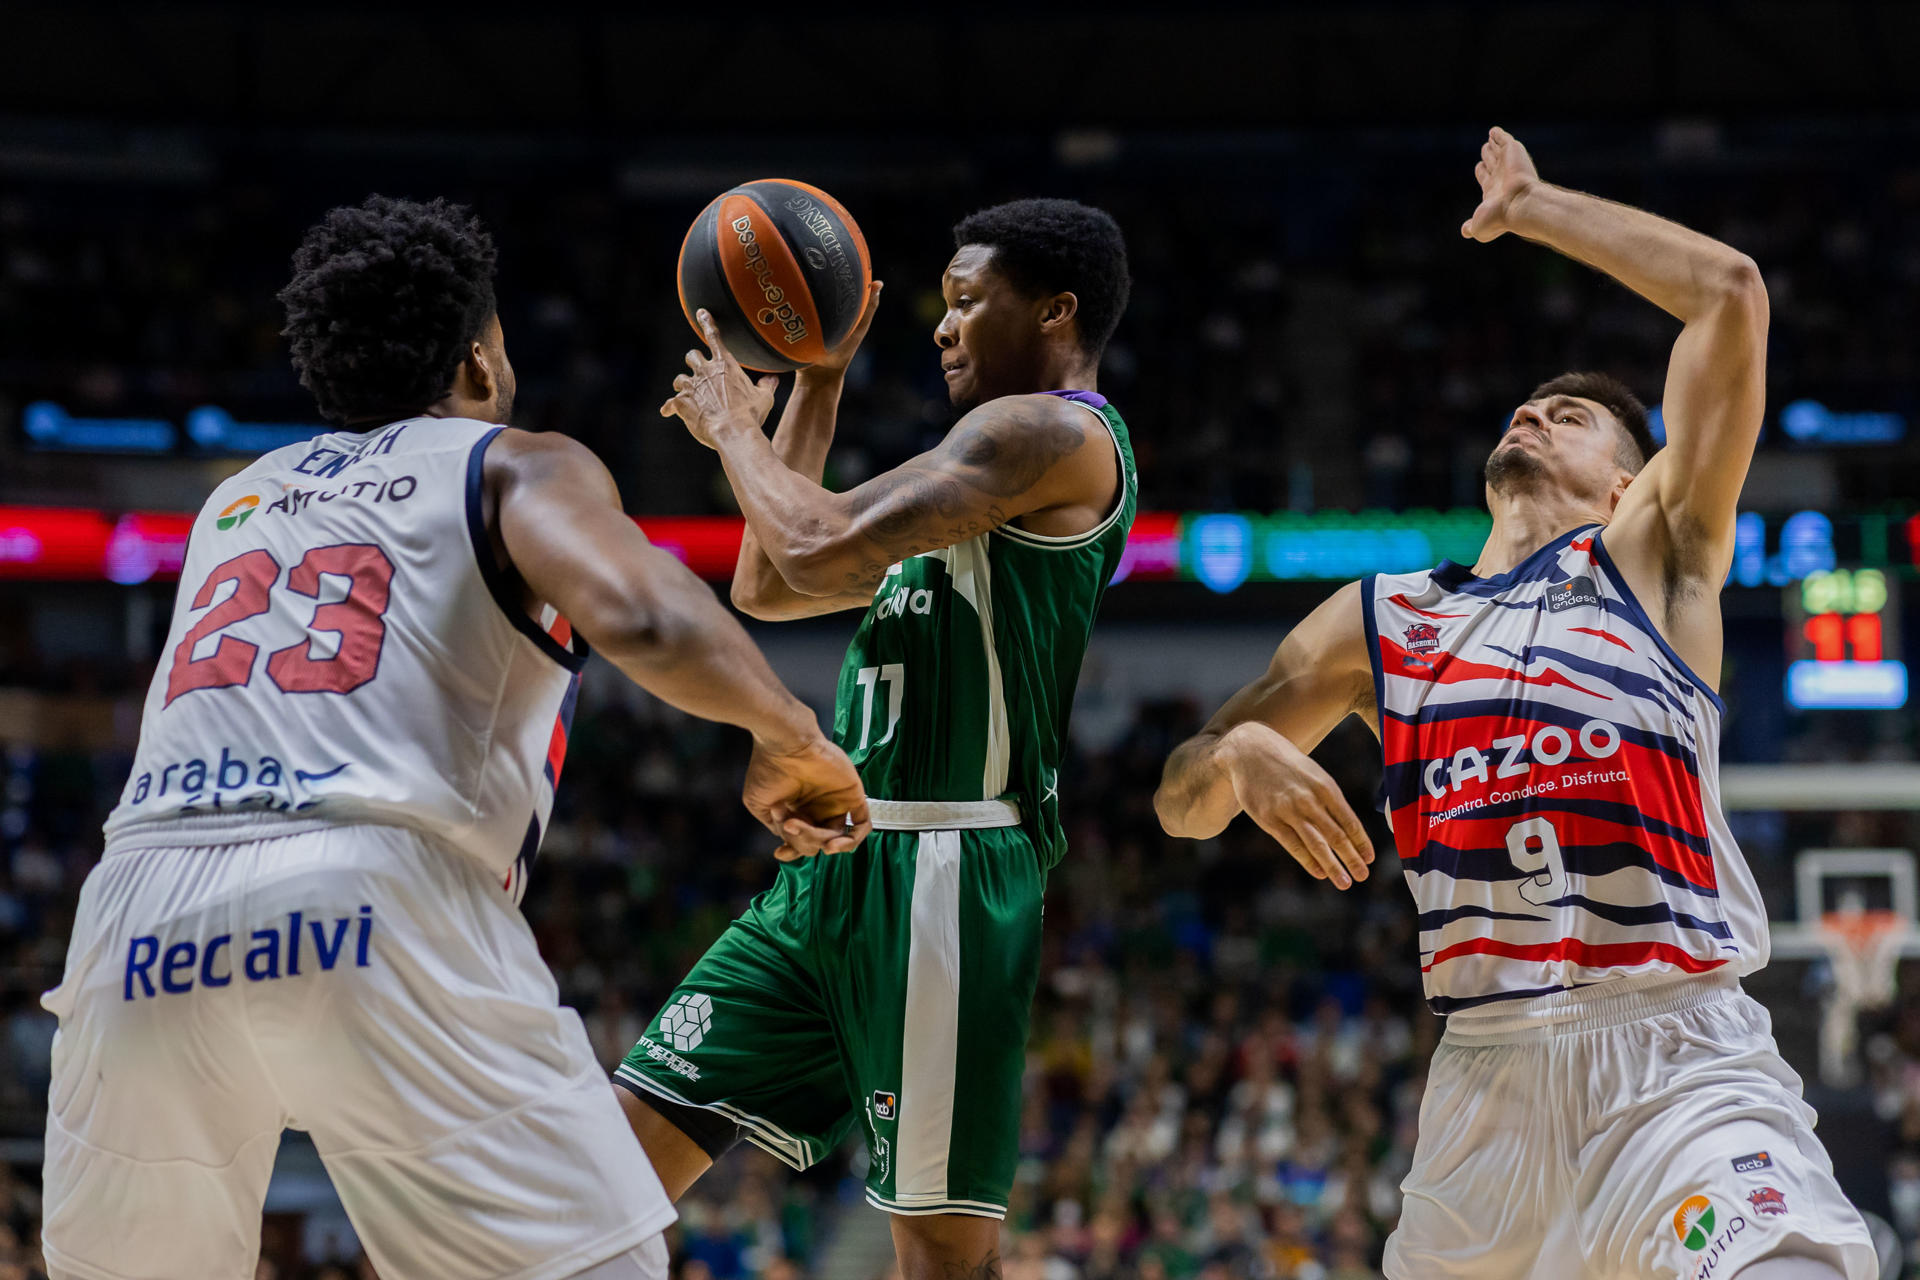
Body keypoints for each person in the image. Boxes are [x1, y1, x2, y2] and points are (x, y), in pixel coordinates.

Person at [40, 195, 869, 1280]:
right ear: (479, 362)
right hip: (368, 885)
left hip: (134, 921)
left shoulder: (232, 501)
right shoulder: (510, 459)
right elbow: (649, 615)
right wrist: (790, 732)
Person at [1154, 130, 1877, 1280]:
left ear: (1629, 481)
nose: (1534, 414)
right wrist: (1237, 751)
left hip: (1676, 1056)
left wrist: (1535, 206)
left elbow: (1730, 294)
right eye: (1528, 407)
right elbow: (1178, 804)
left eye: (1572, 416)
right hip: (1484, 1085)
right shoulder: (1378, 620)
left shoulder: (1657, 553)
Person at [615, 199, 1137, 1280]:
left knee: (939, 1258)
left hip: (949, 870)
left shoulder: (1050, 431)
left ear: (1055, 309)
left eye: (964, 302)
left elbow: (808, 534)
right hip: (830, 877)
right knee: (602, 1171)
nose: (941, 329)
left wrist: (733, 429)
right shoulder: (969, 476)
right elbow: (771, 577)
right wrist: (818, 374)